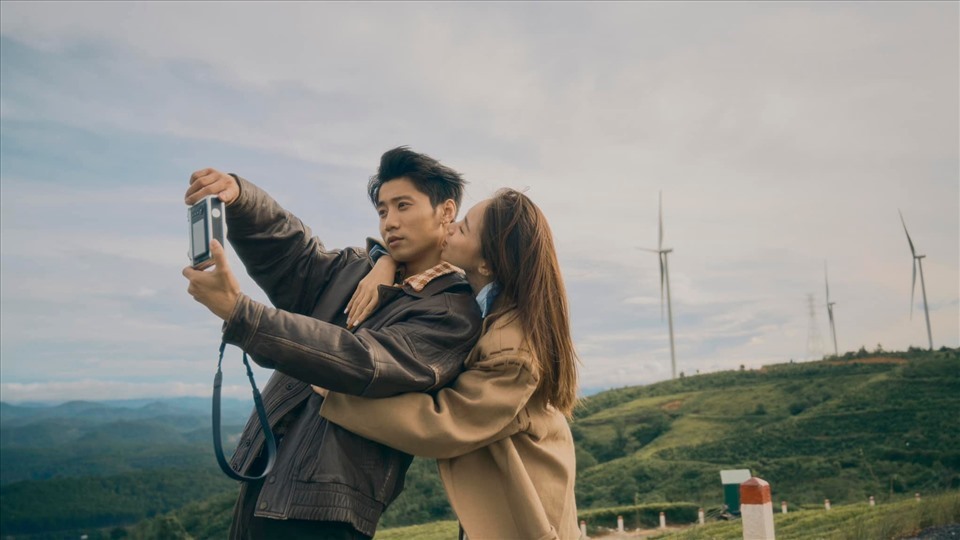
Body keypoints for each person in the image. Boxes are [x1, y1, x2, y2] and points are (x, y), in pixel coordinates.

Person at [181, 147, 483, 540]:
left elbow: (361, 361)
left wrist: (241, 313)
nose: (390, 222)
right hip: (263, 479)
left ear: (446, 211)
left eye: (403, 205)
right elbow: (294, 256)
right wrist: (240, 198)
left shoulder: (453, 313)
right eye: (382, 210)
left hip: (326, 511)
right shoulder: (356, 269)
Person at [320, 188, 581, 539]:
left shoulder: (512, 347)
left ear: (486, 264)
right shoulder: (485, 306)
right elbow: (413, 255)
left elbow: (442, 425)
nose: (451, 226)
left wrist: (337, 394)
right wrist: (386, 262)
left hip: (528, 524)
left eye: (465, 227)